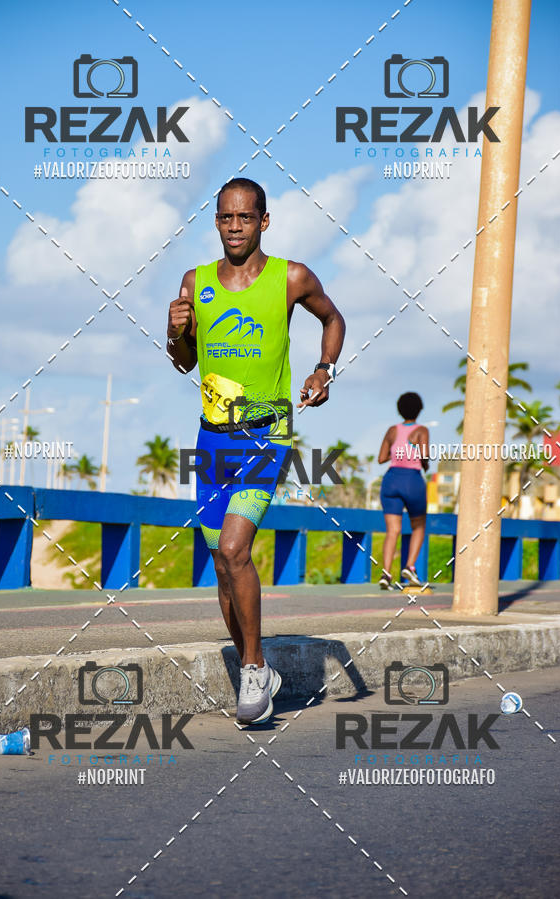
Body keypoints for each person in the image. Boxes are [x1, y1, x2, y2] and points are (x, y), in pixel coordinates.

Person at [167, 178, 345, 724]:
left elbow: (332, 319)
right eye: (226, 218)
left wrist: (323, 368)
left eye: (245, 217)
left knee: (235, 547)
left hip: (267, 434)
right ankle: (259, 668)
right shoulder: (194, 283)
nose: (235, 226)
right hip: (210, 436)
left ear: (264, 221)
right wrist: (176, 333)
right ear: (216, 222)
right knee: (222, 564)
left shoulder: (290, 277)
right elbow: (183, 363)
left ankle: (252, 667)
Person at [377, 392, 429, 590]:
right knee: (418, 526)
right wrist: (424, 465)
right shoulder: (421, 430)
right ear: (419, 410)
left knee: (393, 530)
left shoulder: (392, 430)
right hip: (412, 480)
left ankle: (386, 573)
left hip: (391, 480)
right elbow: (424, 456)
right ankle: (409, 567)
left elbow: (381, 458)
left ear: (399, 409)